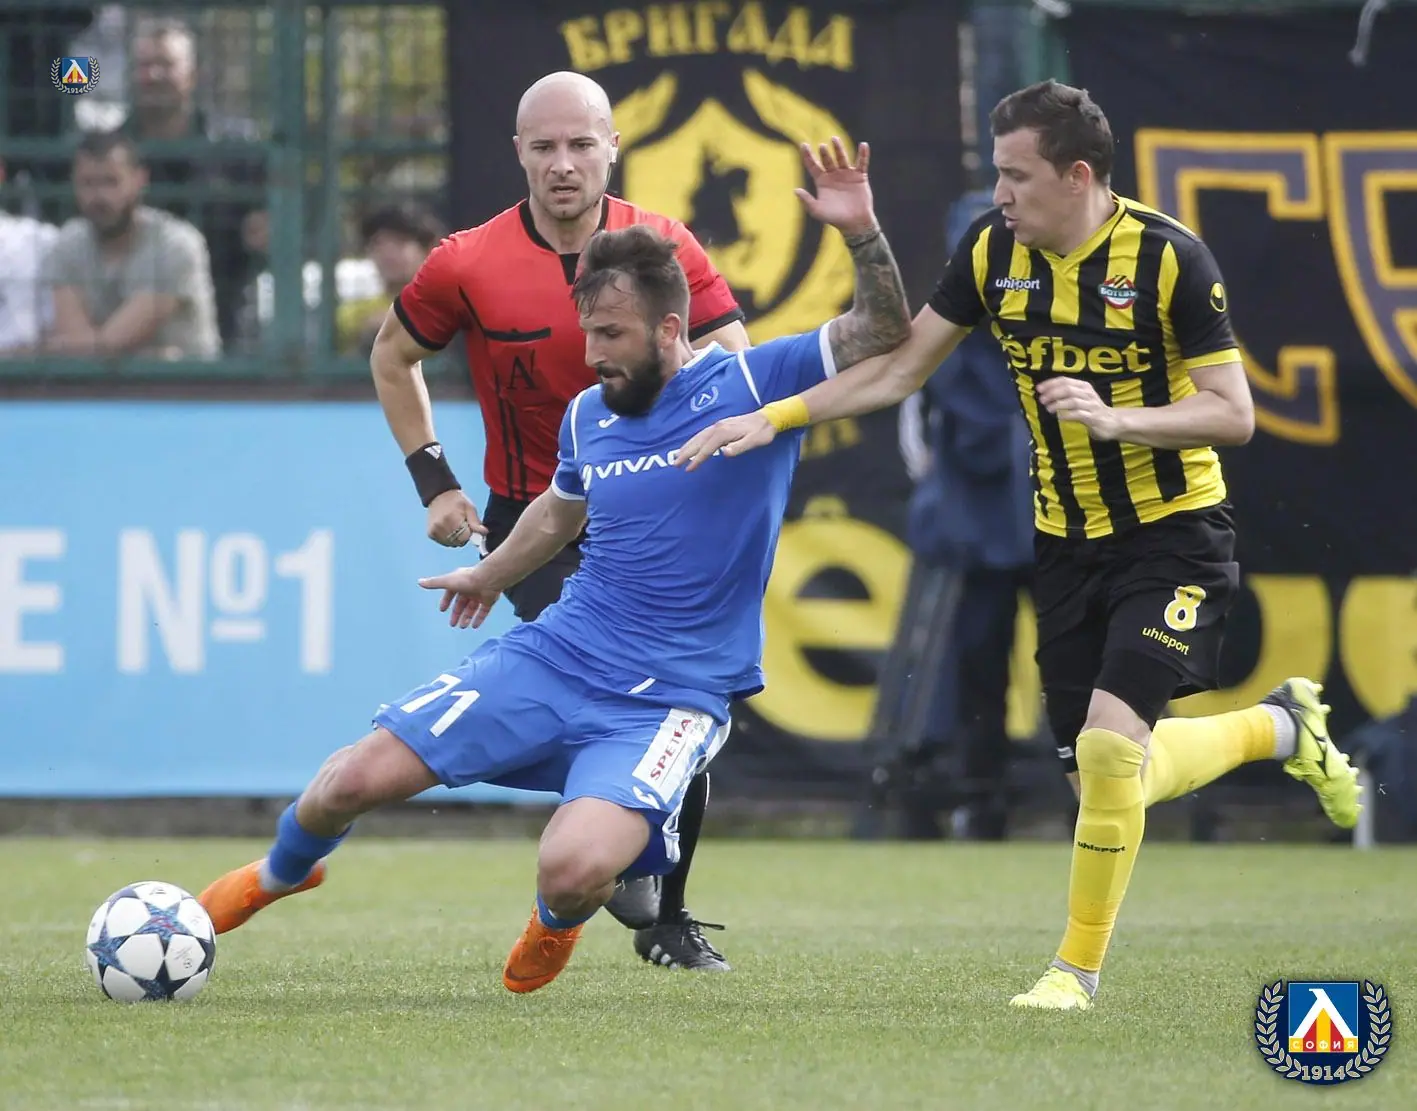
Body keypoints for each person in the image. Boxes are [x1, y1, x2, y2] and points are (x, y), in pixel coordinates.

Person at [676, 80, 1363, 1010]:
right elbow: (899, 369)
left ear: (1077, 176)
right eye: (996, 174)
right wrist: (777, 416)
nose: (999, 194)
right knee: (1105, 774)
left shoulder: (1169, 259)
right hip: (1064, 543)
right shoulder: (992, 250)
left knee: (1110, 754)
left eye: (1016, 175)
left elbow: (1231, 413)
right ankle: (1279, 726)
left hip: (1172, 534)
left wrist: (1117, 419)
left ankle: (1072, 973)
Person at [197, 137, 911, 994]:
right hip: (562, 653)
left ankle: (560, 914)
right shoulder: (587, 413)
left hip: (674, 691)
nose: (591, 352)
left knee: (571, 869)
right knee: (350, 778)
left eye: (610, 334)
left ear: (671, 329)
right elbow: (557, 511)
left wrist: (861, 231)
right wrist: (490, 574)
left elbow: (883, 330)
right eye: (586, 331)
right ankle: (280, 872)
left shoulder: (751, 384)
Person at [368, 70, 752, 972]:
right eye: (544, 147)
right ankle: (617, 854)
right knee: (628, 691)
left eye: (581, 144)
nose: (563, 163)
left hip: (654, 517)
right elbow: (392, 355)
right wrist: (435, 484)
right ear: (518, 154)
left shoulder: (664, 247)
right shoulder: (466, 262)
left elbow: (735, 364)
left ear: (613, 146)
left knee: (676, 699)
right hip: (532, 519)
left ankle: (664, 915)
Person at [40, 130, 220, 360]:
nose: (99, 196)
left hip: (185, 382)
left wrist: (62, 347)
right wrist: (153, 355)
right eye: (87, 183)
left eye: (111, 182)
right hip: (98, 383)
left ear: (139, 181)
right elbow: (79, 349)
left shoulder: (175, 244)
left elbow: (112, 342)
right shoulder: (69, 242)